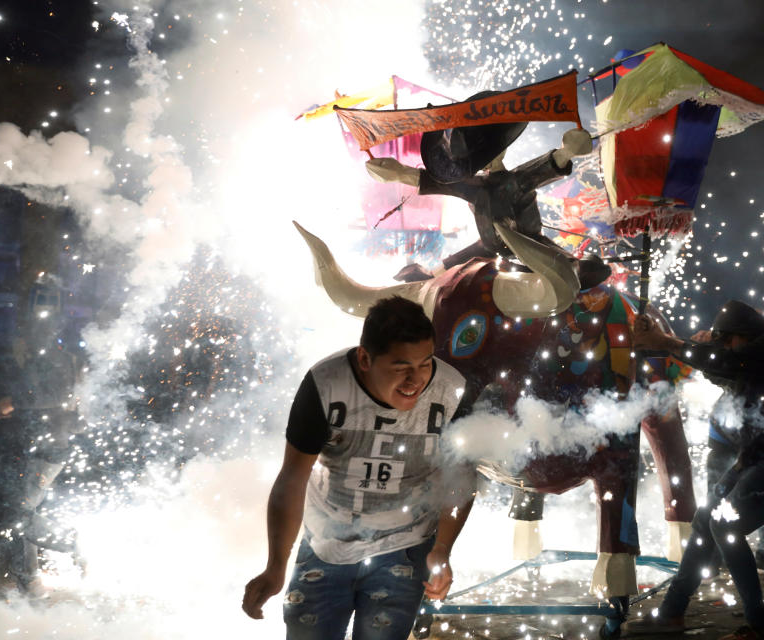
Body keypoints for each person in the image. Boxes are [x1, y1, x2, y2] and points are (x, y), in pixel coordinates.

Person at [241, 296, 476, 639]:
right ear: (365, 358)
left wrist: (441, 549)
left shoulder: (451, 391)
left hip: (406, 545)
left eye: (425, 363)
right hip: (327, 542)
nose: (416, 380)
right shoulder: (326, 384)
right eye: (400, 368)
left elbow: (461, 479)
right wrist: (276, 566)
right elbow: (293, 477)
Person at [626, 300, 764, 640]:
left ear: (744, 334)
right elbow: (726, 370)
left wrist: (668, 343)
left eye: (728, 341)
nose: (725, 348)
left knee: (725, 523)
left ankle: (760, 625)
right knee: (705, 520)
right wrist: (682, 345)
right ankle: (672, 613)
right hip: (758, 458)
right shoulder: (757, 360)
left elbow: (733, 362)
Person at [365, 113, 593, 281]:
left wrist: (567, 152)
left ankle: (577, 270)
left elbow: (541, 170)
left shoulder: (515, 180)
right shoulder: (473, 186)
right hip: (493, 252)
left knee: (577, 273)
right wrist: (398, 172)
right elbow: (435, 183)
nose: (483, 160)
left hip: (534, 248)